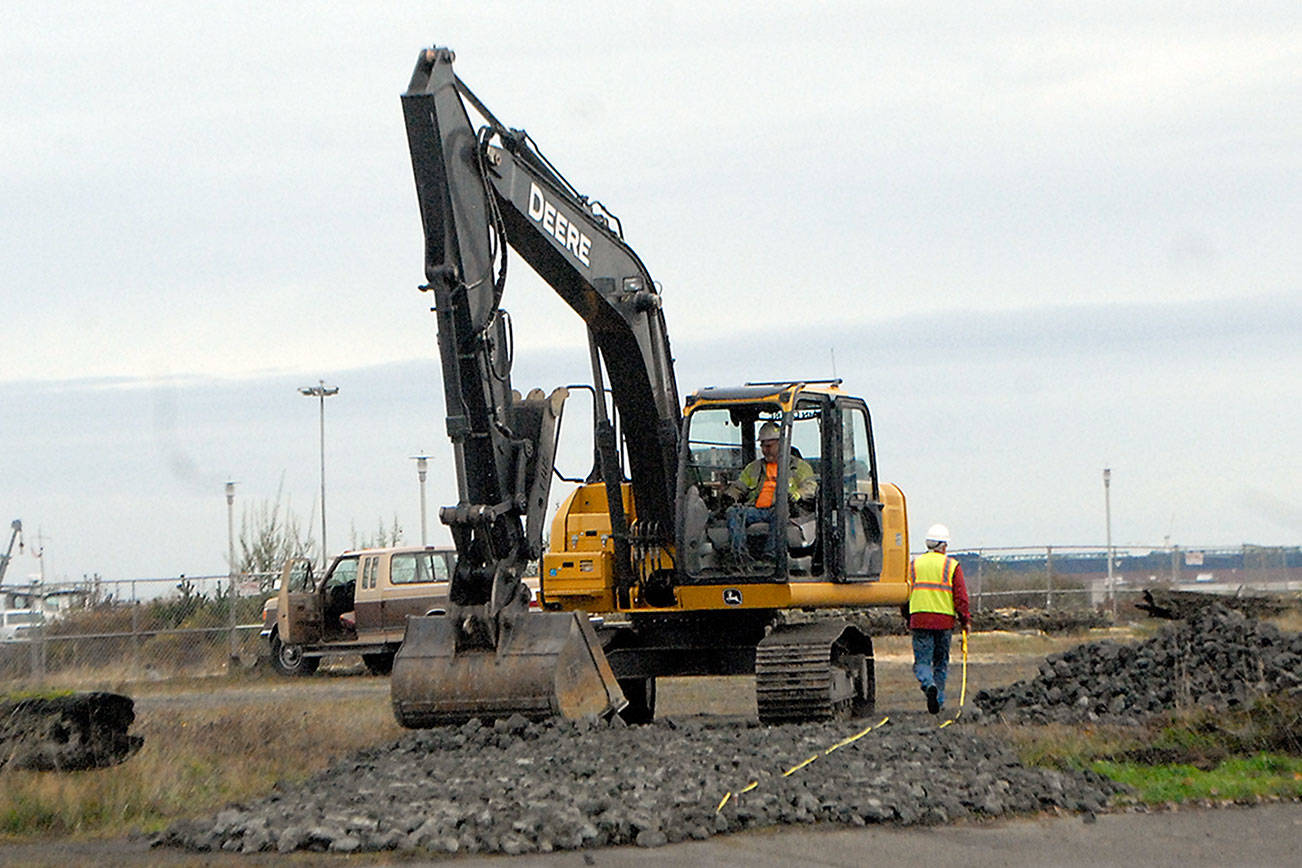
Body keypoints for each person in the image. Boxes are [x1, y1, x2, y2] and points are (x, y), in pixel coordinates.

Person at [724, 421, 817, 561]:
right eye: (762, 446)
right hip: (756, 510)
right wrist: (730, 496)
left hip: (783, 511)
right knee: (733, 512)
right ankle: (740, 556)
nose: (765, 450)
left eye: (769, 446)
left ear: (781, 444)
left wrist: (798, 494)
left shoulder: (800, 467)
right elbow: (739, 486)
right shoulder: (753, 468)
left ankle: (771, 555)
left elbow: (810, 487)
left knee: (780, 511)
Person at [905, 523, 970, 714]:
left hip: (920, 619)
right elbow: (961, 598)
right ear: (943, 546)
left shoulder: (913, 565)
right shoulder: (952, 566)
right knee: (941, 662)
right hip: (944, 621)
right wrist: (965, 620)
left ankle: (928, 684)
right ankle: (938, 700)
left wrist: (907, 616)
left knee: (922, 662)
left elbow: (905, 593)